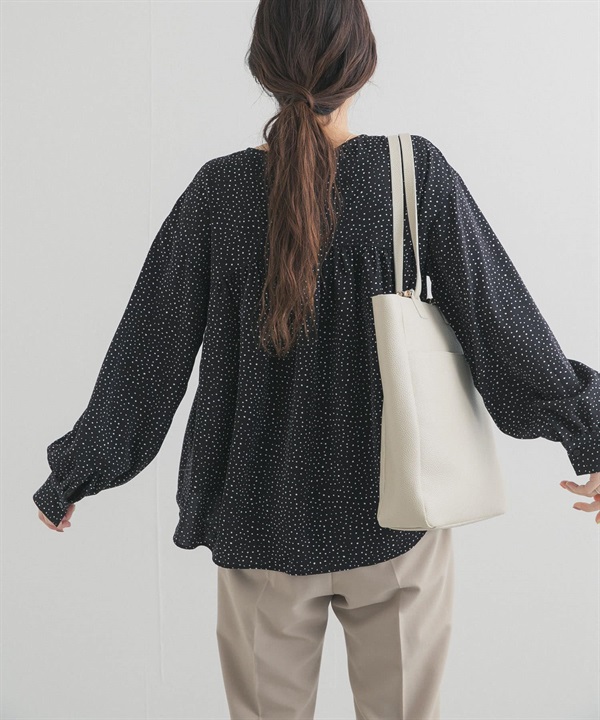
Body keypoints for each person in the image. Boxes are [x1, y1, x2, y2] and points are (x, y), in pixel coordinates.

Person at [33, 0, 600, 718]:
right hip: (399, 517)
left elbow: (149, 354)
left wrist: (78, 471)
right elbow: (502, 325)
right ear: (364, 61)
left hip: (258, 523)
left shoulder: (219, 193)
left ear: (261, 66)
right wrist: (588, 433)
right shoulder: (412, 175)